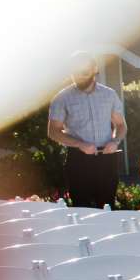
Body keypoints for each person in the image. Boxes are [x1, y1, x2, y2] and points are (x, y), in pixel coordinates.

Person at [46, 59, 126, 209]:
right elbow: (53, 131)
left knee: (108, 207)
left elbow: (121, 125)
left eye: (83, 72)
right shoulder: (62, 98)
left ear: (94, 70)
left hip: (107, 160)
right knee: (82, 208)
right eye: (75, 73)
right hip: (78, 160)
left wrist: (115, 141)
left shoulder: (109, 95)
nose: (79, 77)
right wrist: (80, 144)